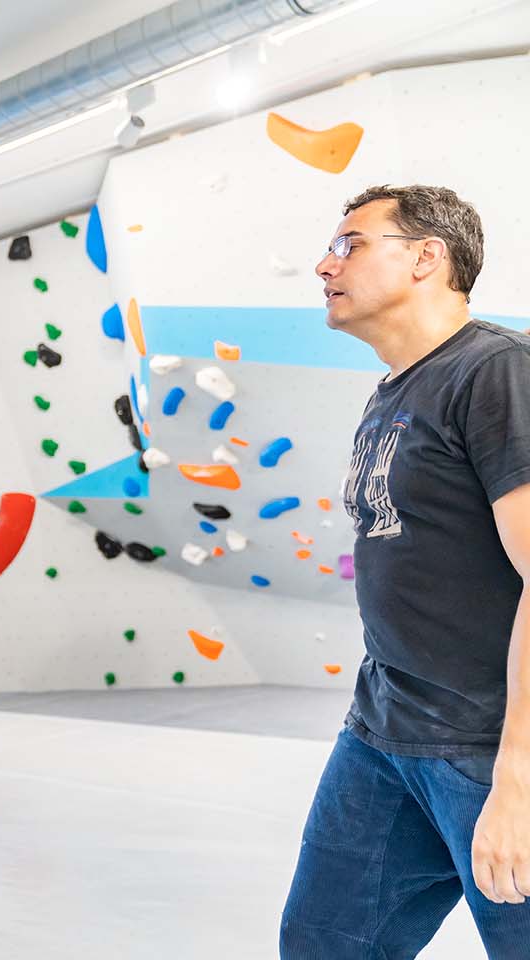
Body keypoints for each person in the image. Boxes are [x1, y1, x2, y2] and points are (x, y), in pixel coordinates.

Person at [280, 184, 530, 957]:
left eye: (351, 243)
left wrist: (519, 777)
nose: (326, 264)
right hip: (383, 739)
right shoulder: (392, 393)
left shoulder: (497, 373)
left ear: (428, 257)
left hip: (489, 748)